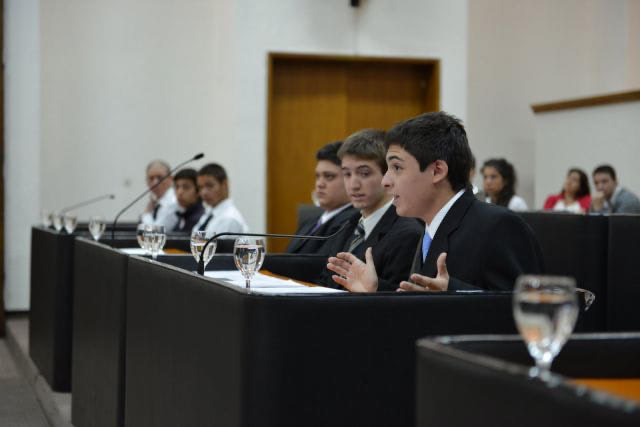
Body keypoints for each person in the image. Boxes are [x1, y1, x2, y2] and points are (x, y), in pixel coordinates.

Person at [327, 112, 543, 293]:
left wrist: (452, 293)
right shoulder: (430, 226)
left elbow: (527, 308)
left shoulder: (498, 226)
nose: (386, 181)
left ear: (437, 171)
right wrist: (375, 290)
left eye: (397, 168)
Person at [317, 129, 422, 291]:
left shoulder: (407, 234)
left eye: (364, 174)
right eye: (347, 174)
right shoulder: (348, 223)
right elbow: (326, 279)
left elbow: (399, 298)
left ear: (388, 175)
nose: (353, 185)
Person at [286, 141, 357, 254]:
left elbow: (320, 262)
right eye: (317, 176)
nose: (319, 184)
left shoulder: (352, 221)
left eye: (329, 176)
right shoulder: (309, 221)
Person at [192, 163, 249, 235]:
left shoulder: (229, 218)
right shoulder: (209, 214)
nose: (204, 192)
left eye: (209, 186)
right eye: (200, 187)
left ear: (225, 184)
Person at [140, 160, 179, 230]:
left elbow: (155, 233)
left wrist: (146, 214)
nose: (155, 182)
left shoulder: (173, 201)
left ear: (171, 179)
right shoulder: (155, 201)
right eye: (151, 178)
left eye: (160, 177)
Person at [172, 168, 205, 232]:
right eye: (177, 187)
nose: (179, 192)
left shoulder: (200, 219)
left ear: (198, 191)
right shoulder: (182, 215)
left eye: (186, 187)